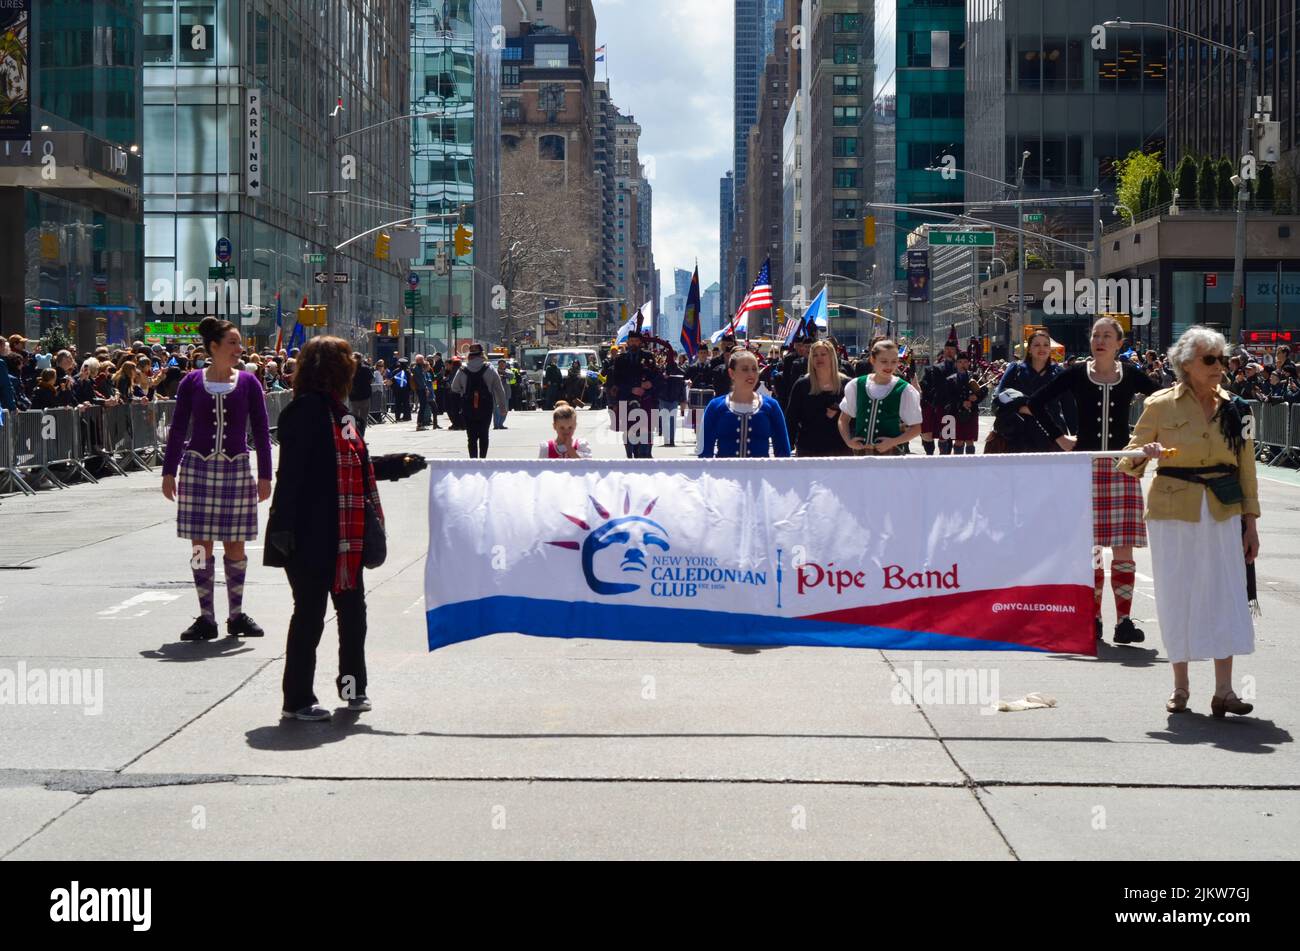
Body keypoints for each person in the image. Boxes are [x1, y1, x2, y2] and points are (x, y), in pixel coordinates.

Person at [264, 336, 427, 721]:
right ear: (337, 371)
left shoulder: (342, 415)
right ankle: (297, 700)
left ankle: (353, 690)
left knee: (352, 613)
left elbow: (360, 464)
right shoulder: (303, 413)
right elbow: (290, 475)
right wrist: (283, 528)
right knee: (310, 613)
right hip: (310, 533)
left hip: (345, 534)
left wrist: (401, 464)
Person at [1118, 327, 1260, 717]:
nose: (1219, 367)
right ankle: (1180, 688)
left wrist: (1251, 522)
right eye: (1209, 360)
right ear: (1186, 365)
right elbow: (1128, 461)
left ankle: (1225, 691)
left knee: (1226, 593)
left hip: (1224, 507)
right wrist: (1143, 452)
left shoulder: (1238, 407)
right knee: (1177, 592)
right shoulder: (1160, 405)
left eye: (1222, 359)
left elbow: (1246, 466)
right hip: (1172, 508)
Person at [1029, 316, 1160, 644]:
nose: (1100, 340)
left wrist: (1148, 439)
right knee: (1091, 549)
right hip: (1084, 466)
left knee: (1124, 548)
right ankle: (1094, 618)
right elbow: (1035, 403)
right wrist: (1060, 438)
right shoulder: (1075, 373)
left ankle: (1125, 620)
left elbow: (1163, 404)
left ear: (1119, 343)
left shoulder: (1130, 375)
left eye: (1107, 336)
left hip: (1121, 466)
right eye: (1096, 335)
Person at [161, 317, 273, 642]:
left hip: (237, 467)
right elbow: (179, 428)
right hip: (197, 468)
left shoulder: (250, 383)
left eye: (239, 343)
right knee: (200, 545)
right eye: (233, 343)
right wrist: (169, 471)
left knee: (236, 542)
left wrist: (265, 474)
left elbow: (262, 432)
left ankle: (236, 615)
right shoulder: (191, 382)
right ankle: (206, 616)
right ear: (214, 347)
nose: (239, 349)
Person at [698, 349, 792, 458]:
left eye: (754, 369)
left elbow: (783, 452)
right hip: (725, 474)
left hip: (761, 474)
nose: (751, 374)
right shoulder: (715, 407)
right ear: (731, 373)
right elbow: (704, 453)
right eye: (745, 369)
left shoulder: (771, 406)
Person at [838, 339, 922, 456]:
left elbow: (916, 428)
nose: (889, 366)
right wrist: (849, 441)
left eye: (894, 361)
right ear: (873, 360)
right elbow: (843, 419)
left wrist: (893, 441)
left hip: (891, 455)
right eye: (884, 361)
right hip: (860, 454)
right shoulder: (857, 385)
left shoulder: (904, 389)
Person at [988, 329, 1068, 454]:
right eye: (1037, 345)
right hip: (1018, 435)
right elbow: (1000, 396)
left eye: (1046, 345)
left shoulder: (1059, 373)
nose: (1042, 348)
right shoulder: (1016, 369)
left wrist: (1074, 436)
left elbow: (1069, 408)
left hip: (1051, 436)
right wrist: (1022, 408)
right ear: (1029, 349)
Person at [785, 339, 851, 457]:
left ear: (832, 357)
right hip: (809, 448)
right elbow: (791, 419)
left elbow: (855, 418)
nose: (818, 358)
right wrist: (786, 447)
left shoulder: (847, 385)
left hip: (841, 449)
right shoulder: (802, 385)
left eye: (823, 354)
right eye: (814, 355)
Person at [606, 330, 661, 458]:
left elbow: (656, 376)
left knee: (646, 431)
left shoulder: (648, 357)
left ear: (640, 342)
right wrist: (632, 388)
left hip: (646, 399)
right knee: (629, 431)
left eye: (636, 341)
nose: (633, 344)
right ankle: (630, 457)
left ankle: (645, 456)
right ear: (628, 342)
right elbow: (617, 381)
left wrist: (650, 384)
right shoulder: (620, 360)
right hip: (626, 398)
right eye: (631, 341)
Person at [450, 343, 509, 458]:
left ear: (470, 355)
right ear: (482, 354)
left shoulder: (462, 369)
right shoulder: (490, 368)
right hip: (485, 406)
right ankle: (482, 460)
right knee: (484, 434)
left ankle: (473, 461)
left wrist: (464, 390)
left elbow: (454, 387)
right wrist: (502, 407)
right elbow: (499, 389)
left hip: (468, 406)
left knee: (471, 437)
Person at [919, 333, 959, 454]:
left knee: (947, 437)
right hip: (934, 406)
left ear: (956, 351)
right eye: (947, 349)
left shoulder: (960, 369)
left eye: (952, 349)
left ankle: (945, 460)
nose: (949, 351)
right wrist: (930, 400)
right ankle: (929, 455)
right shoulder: (931, 369)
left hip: (951, 407)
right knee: (928, 434)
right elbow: (924, 385)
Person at [940, 353, 987, 455]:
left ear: (969, 363)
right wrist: (962, 402)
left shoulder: (975, 377)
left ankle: (970, 464)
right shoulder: (951, 380)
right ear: (956, 364)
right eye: (960, 362)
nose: (963, 364)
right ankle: (958, 463)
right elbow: (948, 397)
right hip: (956, 412)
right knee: (959, 440)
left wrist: (976, 398)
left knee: (970, 440)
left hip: (972, 412)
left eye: (965, 362)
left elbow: (984, 390)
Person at [656, 350, 687, 447]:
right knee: (664, 419)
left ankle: (672, 440)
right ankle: (666, 439)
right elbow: (656, 383)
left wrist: (683, 400)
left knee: (672, 420)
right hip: (663, 398)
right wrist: (662, 377)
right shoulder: (661, 370)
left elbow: (682, 386)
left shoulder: (680, 371)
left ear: (675, 357)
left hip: (674, 399)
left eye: (673, 356)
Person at [412, 354, 435, 432]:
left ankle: (420, 423)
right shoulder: (417, 369)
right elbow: (420, 380)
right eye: (421, 360)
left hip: (421, 389)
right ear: (417, 360)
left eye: (423, 359)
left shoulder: (419, 368)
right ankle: (419, 424)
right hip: (421, 389)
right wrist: (425, 388)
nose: (423, 361)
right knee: (422, 406)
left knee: (423, 406)